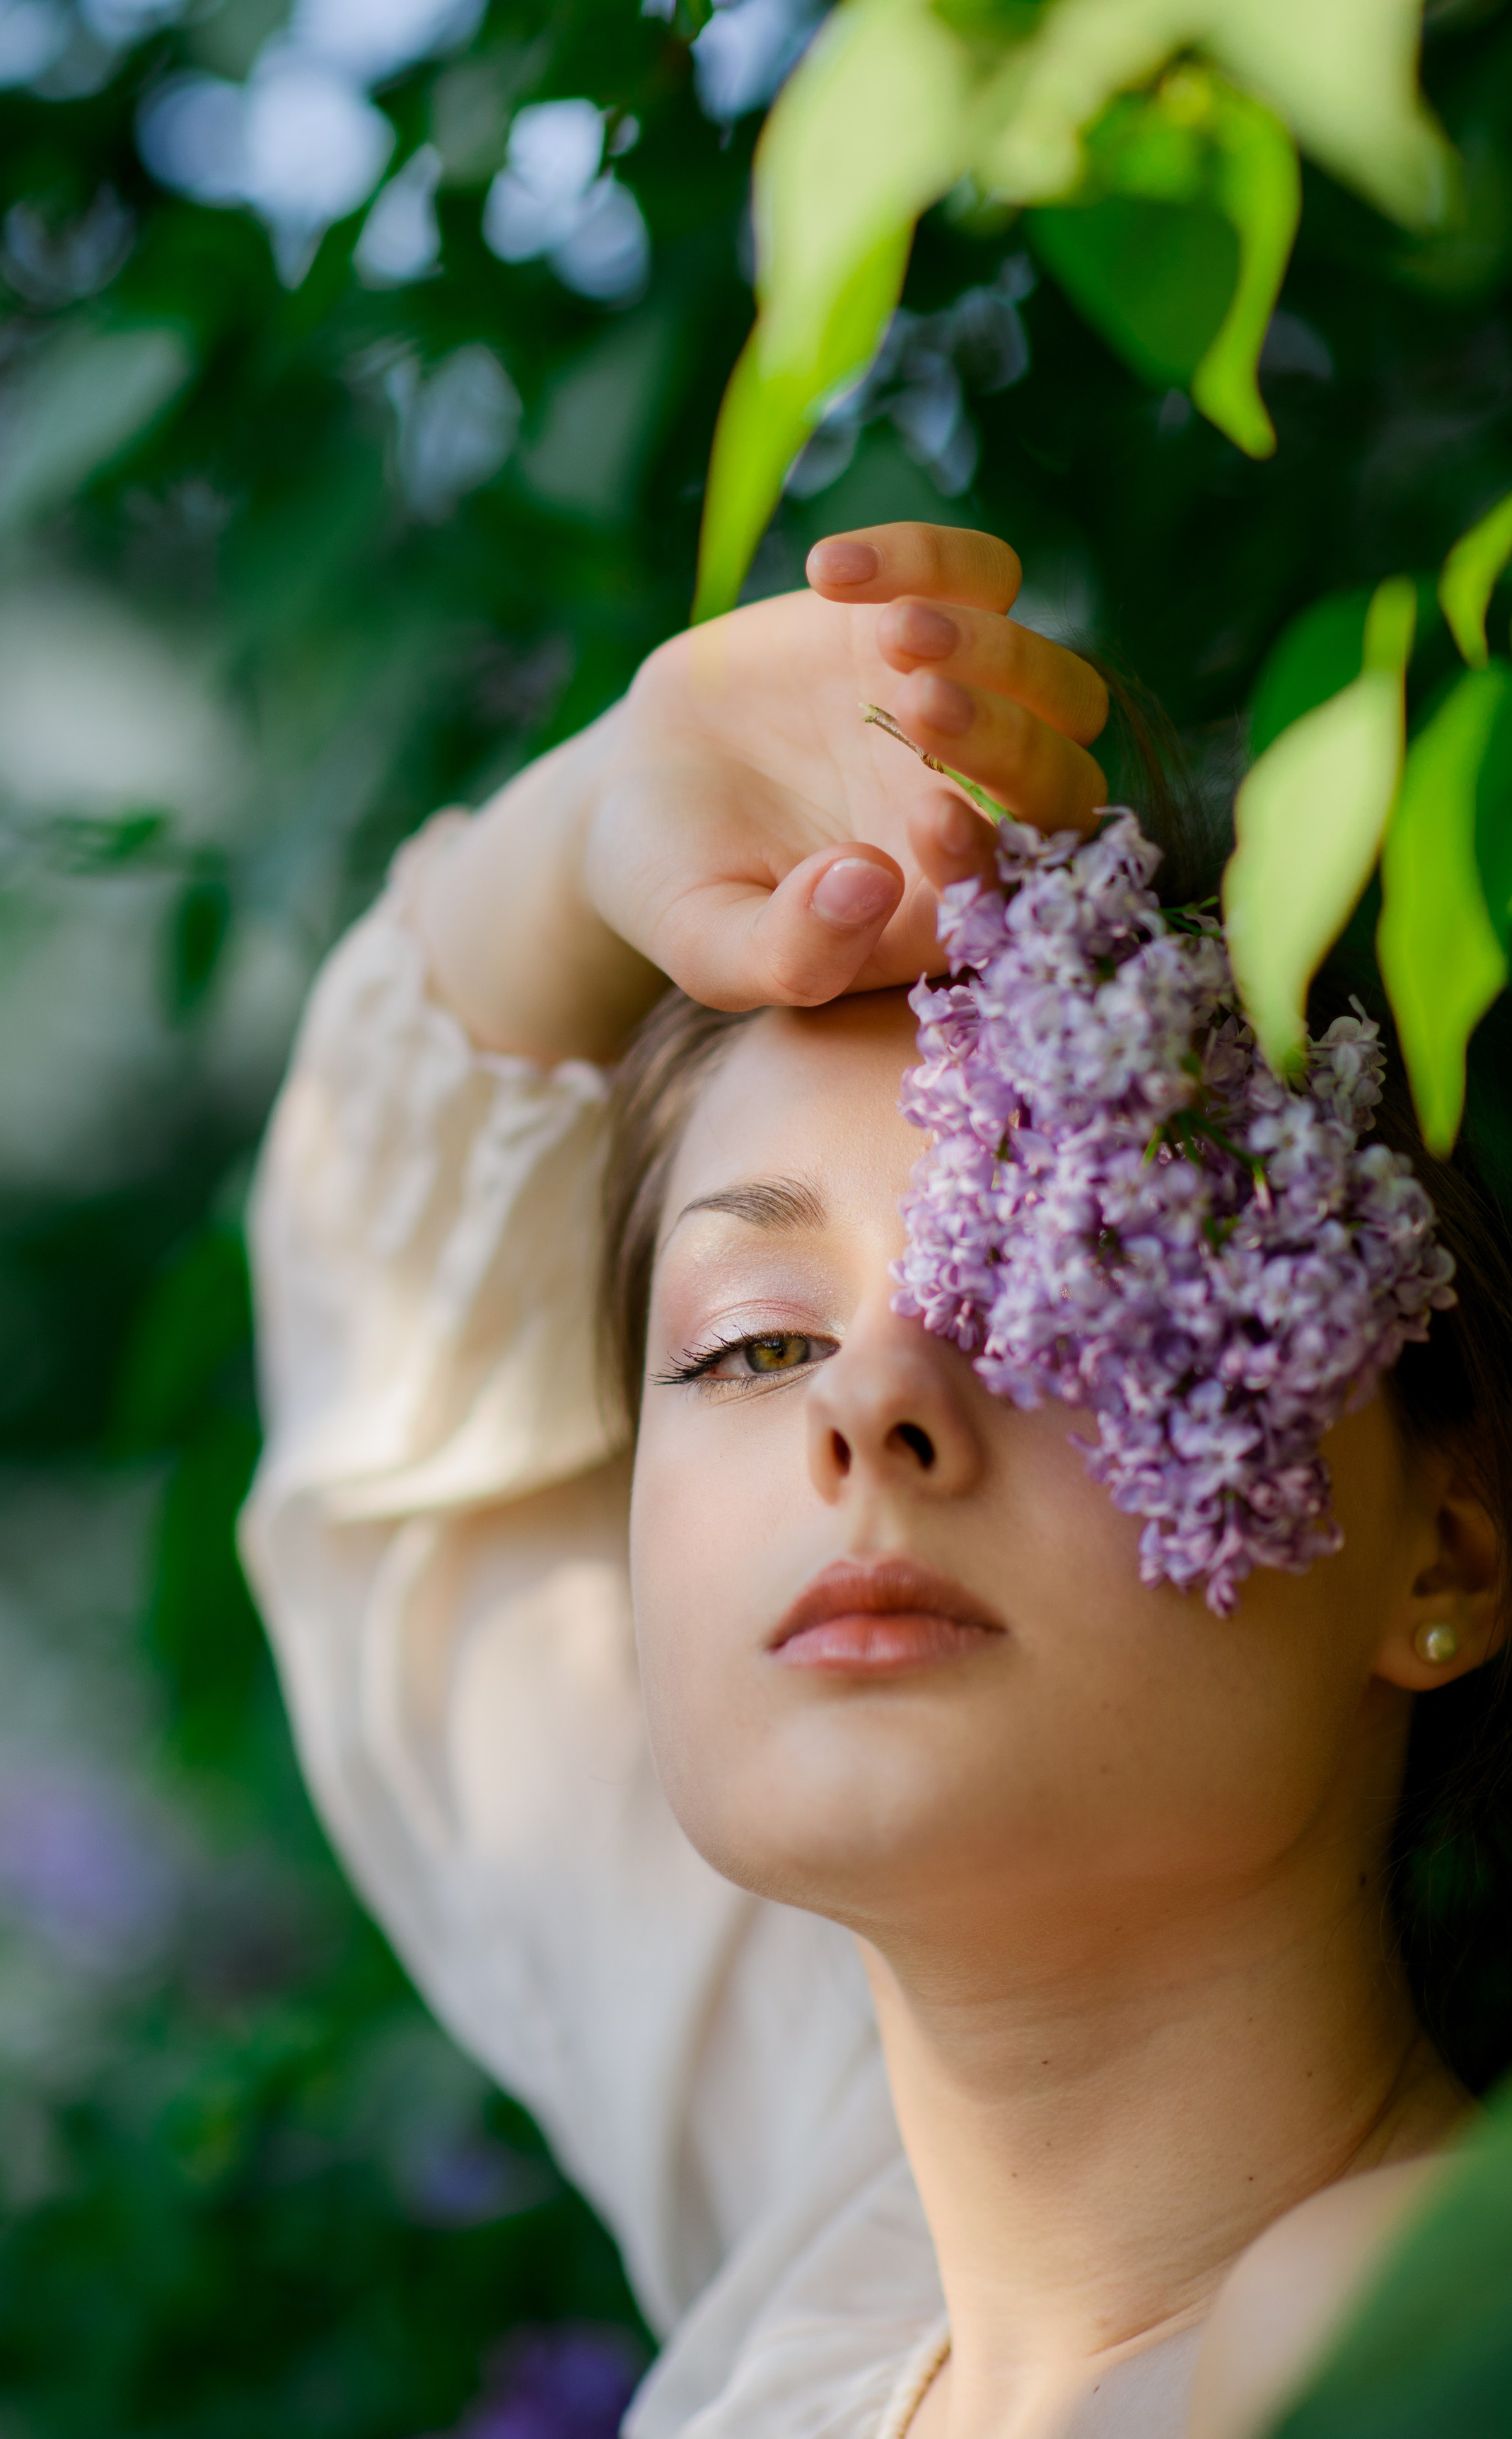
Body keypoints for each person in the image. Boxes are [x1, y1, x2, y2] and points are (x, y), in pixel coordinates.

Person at [240, 523, 1511, 2439]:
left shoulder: (1395, 2332)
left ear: (1450, 1545)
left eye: (1079, 1280)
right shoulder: (829, 2262)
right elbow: (392, 1379)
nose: (871, 1404)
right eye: (754, 1343)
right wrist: (615, 796)